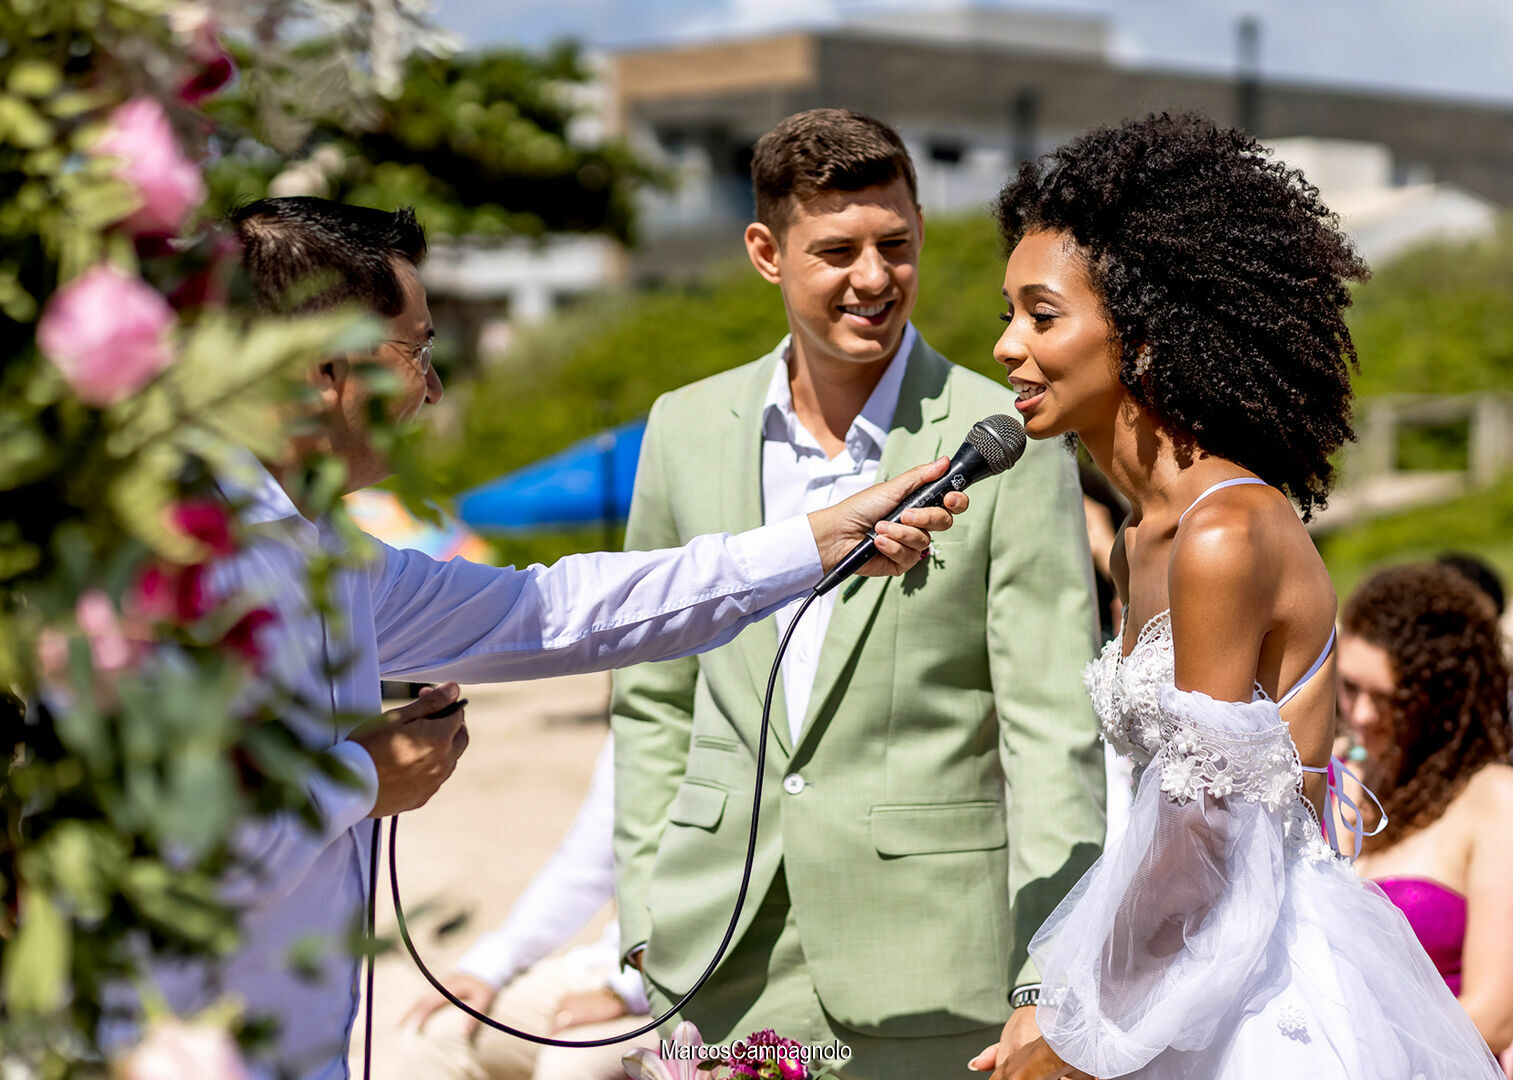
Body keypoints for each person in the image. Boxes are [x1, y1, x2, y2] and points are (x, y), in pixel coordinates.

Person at [130, 195, 964, 1080]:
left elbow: (557, 612)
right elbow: (163, 859)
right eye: (416, 352)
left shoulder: (325, 553)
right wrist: (362, 777)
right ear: (315, 372)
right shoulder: (169, 558)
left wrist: (812, 542)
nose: (434, 388)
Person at [969, 112, 1503, 1080]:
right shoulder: (1141, 534)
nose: (1007, 347)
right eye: (1006, 313)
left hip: (1253, 994)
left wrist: (1078, 1032)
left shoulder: (1222, 532)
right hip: (1179, 956)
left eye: (1040, 315)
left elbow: (1200, 838)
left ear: (1139, 336)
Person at [612, 109, 1105, 1079]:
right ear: (765, 251)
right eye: (837, 251)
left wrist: (1051, 972)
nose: (873, 278)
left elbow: (1052, 730)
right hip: (714, 955)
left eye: (896, 245)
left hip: (929, 966)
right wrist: (643, 911)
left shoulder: (1002, 438)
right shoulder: (682, 428)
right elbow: (651, 693)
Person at [397, 733, 657, 1080]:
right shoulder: (638, 729)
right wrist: (487, 967)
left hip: (697, 988)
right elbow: (586, 865)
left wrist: (625, 991)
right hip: (613, 962)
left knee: (571, 1065)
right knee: (436, 1033)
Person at [1338, 563, 1513, 1057]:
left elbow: (1495, 1014)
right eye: (1350, 688)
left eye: (1391, 699)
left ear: (1442, 700)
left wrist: (1359, 1058)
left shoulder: (1494, 800)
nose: (1363, 715)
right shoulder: (1339, 779)